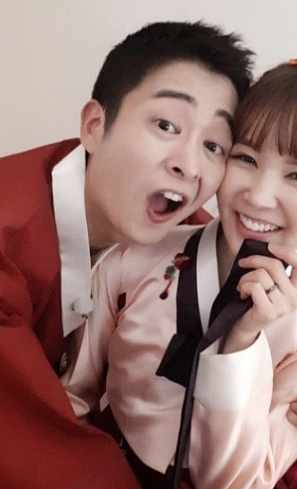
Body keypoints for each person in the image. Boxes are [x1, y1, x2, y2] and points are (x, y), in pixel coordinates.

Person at [62, 58, 297, 489]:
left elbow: (239, 483)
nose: (259, 196)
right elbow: (73, 398)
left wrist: (241, 343)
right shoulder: (134, 255)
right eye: (245, 157)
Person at [0, 20, 254, 489]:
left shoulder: (188, 238)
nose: (188, 165)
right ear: (94, 126)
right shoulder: (7, 238)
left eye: (213, 145)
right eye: (165, 125)